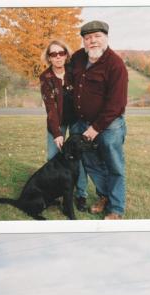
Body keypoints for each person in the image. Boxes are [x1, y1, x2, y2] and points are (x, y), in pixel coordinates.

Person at [71, 21, 128, 219]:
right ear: (84, 41)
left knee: (114, 166)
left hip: (109, 125)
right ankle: (104, 196)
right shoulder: (78, 58)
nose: (92, 41)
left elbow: (117, 104)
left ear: (106, 38)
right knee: (91, 163)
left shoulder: (115, 64)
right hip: (81, 123)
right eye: (87, 38)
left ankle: (116, 209)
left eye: (96, 36)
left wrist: (95, 128)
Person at [39, 40, 88, 212]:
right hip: (56, 123)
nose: (58, 57)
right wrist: (57, 133)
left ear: (66, 55)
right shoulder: (46, 78)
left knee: (78, 158)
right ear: (49, 57)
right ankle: (54, 193)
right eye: (53, 54)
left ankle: (81, 194)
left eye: (61, 53)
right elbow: (50, 108)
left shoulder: (74, 72)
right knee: (53, 158)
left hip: (76, 121)